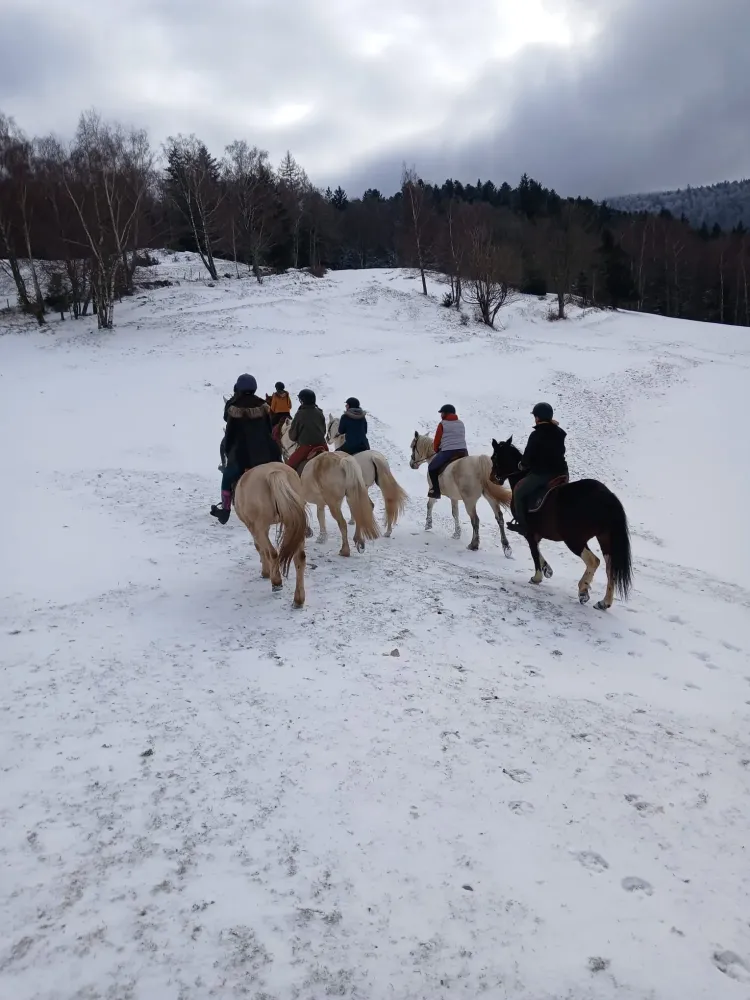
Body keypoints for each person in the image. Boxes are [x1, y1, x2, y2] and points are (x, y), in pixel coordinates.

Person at [210, 374, 282, 524]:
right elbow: (269, 429)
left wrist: (229, 452)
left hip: (243, 454)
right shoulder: (263, 405)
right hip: (266, 453)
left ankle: (225, 510)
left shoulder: (234, 408)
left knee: (227, 476)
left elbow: (229, 434)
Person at [508, 402, 568, 534]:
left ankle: (523, 526)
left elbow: (528, 457)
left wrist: (522, 465)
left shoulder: (536, 435)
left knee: (518, 490)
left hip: (543, 474)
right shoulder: (559, 432)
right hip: (562, 473)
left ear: (537, 418)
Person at [427, 404, 468, 499]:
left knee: (432, 468)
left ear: (446, 413)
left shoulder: (442, 424)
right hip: (463, 451)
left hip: (448, 452)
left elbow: (437, 440)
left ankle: (435, 491)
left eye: (442, 413)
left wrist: (436, 449)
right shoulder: (461, 423)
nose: (441, 415)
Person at [286, 389, 328, 471]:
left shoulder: (300, 414)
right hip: (322, 445)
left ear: (302, 401)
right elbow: (324, 431)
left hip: (306, 447)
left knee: (289, 466)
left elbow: (292, 436)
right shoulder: (320, 412)